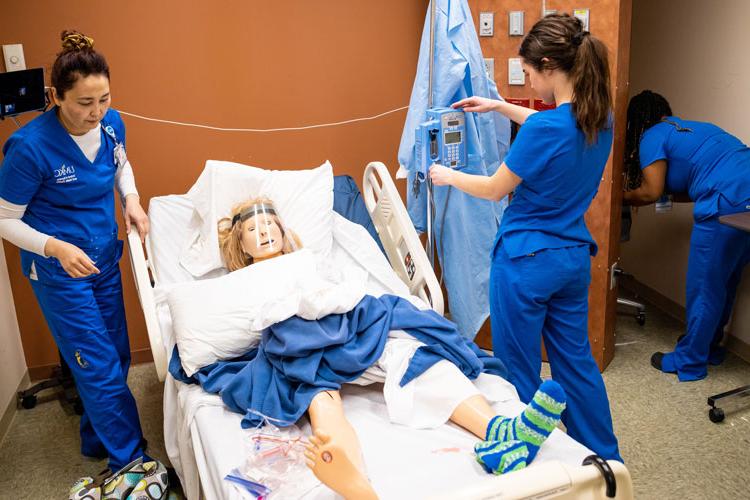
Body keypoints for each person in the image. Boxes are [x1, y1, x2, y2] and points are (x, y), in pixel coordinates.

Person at [217, 198, 570, 499]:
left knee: (419, 358)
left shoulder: (310, 260)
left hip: (348, 330)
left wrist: (333, 298)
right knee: (320, 400)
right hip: (297, 347)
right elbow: (251, 319)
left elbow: (342, 289)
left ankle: (500, 434)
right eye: (252, 230)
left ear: (283, 229)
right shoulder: (242, 280)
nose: (263, 231)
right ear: (241, 246)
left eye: (269, 224)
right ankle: (351, 477)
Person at [429, 13, 621, 461]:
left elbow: (495, 188)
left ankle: (529, 459)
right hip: (571, 261)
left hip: (525, 263)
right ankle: (606, 456)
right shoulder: (602, 120)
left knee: (519, 369)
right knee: (576, 365)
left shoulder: (543, 128)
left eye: (531, 74)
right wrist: (499, 106)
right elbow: (551, 128)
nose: (530, 83)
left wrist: (448, 176)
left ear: (550, 66)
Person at [0, 31, 151, 475]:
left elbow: (121, 164)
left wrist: (133, 199)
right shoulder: (30, 148)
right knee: (99, 363)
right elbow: (5, 218)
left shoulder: (110, 123)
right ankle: (131, 462)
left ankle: (96, 439)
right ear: (55, 96)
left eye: (103, 98)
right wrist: (55, 247)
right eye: (85, 103)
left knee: (116, 355)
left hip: (103, 256)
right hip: (58, 269)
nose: (96, 112)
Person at [623, 90, 750, 381]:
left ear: (637, 121)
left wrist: (618, 197)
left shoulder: (652, 135)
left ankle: (689, 362)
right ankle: (709, 348)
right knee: (725, 281)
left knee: (705, 286)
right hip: (743, 197)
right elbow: (688, 187)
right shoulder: (695, 128)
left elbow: (650, 191)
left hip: (726, 199)